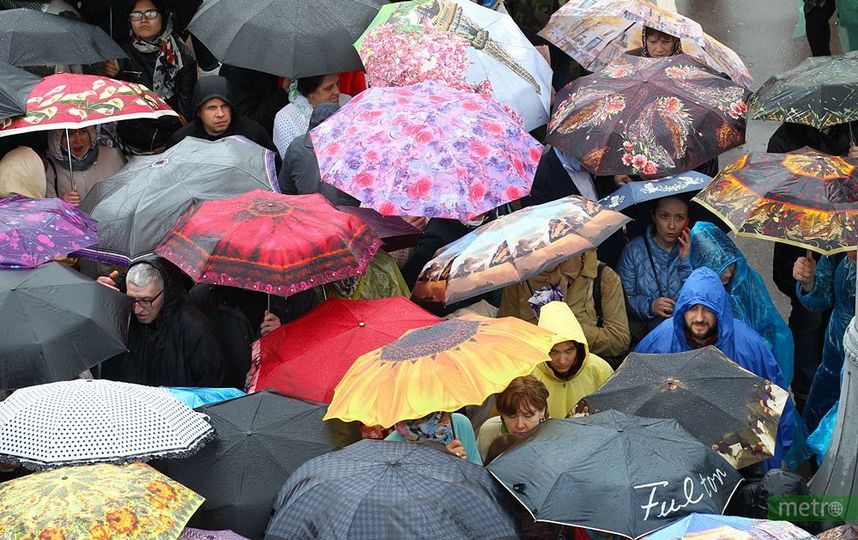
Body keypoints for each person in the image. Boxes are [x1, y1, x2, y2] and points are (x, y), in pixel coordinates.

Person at [635, 267, 797, 469]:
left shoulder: (750, 348)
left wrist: (772, 464)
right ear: (682, 310)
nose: (700, 318)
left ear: (720, 310)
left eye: (708, 309)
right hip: (679, 455)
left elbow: (776, 410)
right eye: (693, 308)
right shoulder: (658, 344)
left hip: (739, 455)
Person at [690, 222, 794, 386]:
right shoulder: (699, 295)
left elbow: (771, 323)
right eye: (719, 268)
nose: (727, 273)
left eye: (729, 265)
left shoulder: (747, 280)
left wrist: (760, 351)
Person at [98, 257, 226, 387]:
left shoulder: (196, 329)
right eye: (131, 299)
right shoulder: (121, 316)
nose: (137, 309)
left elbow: (212, 384)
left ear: (165, 291)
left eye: (146, 300)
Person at [498, 250, 631, 362]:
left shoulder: (603, 277)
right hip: (536, 374)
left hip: (587, 372)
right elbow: (505, 335)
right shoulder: (519, 281)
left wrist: (566, 328)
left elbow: (619, 339)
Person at [104, 0, 196, 153]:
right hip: (127, 146)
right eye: (136, 14)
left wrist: (147, 111)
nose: (143, 20)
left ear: (164, 16)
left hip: (171, 145)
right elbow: (114, 107)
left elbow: (184, 117)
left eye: (151, 13)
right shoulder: (118, 54)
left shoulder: (181, 56)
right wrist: (112, 76)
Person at [793, 251, 857, 432]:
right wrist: (809, 281)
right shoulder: (839, 250)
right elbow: (821, 300)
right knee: (820, 423)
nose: (851, 251)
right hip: (834, 360)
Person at [618, 196, 692, 339]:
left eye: (679, 218)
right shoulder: (634, 251)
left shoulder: (695, 249)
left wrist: (685, 263)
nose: (671, 226)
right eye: (664, 216)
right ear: (653, 216)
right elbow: (621, 298)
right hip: (648, 337)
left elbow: (702, 296)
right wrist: (649, 306)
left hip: (686, 335)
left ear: (687, 220)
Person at [533, 302, 613, 419]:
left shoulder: (600, 369)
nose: (562, 360)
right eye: (553, 352)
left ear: (579, 347)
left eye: (568, 351)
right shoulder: (530, 375)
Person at [166, 76, 278, 153]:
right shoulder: (181, 142)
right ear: (199, 112)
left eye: (225, 106)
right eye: (212, 108)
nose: (220, 114)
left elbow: (274, 170)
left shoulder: (253, 134)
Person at [279, 103, 358, 206]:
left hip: (306, 215)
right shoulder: (356, 150)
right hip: (344, 217)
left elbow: (285, 190)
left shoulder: (297, 146)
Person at [272, 74, 351, 157]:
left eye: (338, 84)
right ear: (309, 93)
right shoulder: (286, 119)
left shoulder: (347, 101)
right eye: (328, 88)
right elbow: (293, 164)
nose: (337, 91)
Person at [476, 375, 549, 463]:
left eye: (528, 416)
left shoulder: (556, 436)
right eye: (512, 416)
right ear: (501, 414)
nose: (520, 425)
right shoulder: (488, 432)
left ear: (542, 411)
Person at [44, 127, 126, 204]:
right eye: (70, 134)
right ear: (57, 139)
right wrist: (62, 203)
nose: (78, 140)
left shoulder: (112, 155)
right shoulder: (49, 168)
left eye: (83, 131)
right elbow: (47, 209)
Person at [385, 411, 482, 466]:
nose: (449, 412)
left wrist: (466, 467)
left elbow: (479, 475)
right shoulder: (390, 446)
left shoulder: (459, 424)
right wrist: (443, 460)